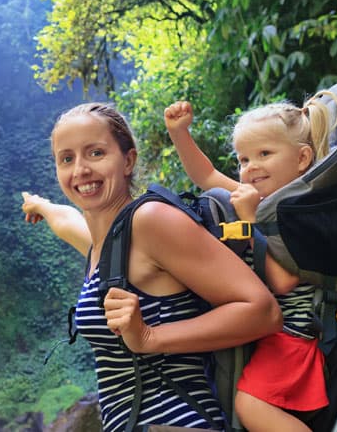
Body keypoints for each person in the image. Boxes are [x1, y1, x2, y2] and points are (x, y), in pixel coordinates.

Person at [22, 102, 282, 431]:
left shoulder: (151, 221)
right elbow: (67, 221)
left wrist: (148, 336)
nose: (80, 170)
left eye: (96, 153)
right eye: (67, 159)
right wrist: (40, 206)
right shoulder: (103, 244)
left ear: (128, 160)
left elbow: (262, 311)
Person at [163, 93, 337, 432]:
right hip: (269, 333)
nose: (250, 167)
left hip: (294, 337)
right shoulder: (263, 202)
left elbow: (284, 282)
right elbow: (208, 175)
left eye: (264, 154)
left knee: (250, 405)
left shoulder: (304, 212)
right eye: (243, 159)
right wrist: (180, 134)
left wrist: (251, 222)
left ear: (302, 158)